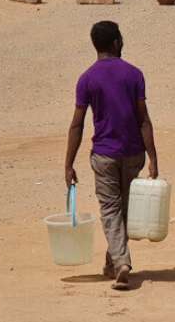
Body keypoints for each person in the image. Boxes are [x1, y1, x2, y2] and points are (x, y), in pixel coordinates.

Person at [64, 21, 159, 290]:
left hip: (104, 155)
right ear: (117, 42)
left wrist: (68, 164)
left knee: (110, 209)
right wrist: (153, 157)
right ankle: (114, 261)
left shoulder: (87, 79)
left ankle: (120, 261)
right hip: (133, 153)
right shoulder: (134, 74)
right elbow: (144, 120)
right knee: (125, 209)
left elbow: (77, 124)